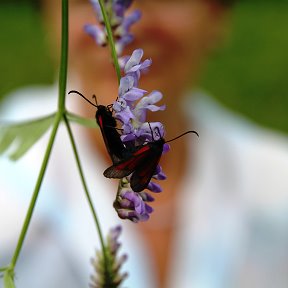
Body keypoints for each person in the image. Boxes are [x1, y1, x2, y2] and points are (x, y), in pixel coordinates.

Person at [1, 0, 288, 287]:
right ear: (49, 17)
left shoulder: (277, 180)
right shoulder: (9, 179)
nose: (134, 28)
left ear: (217, 14)